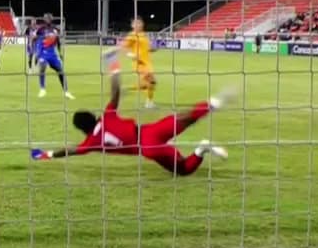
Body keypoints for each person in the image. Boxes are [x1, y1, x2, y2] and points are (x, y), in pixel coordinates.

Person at [30, 70, 231, 177]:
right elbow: (115, 94)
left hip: (147, 147)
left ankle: (202, 149)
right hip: (151, 130)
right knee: (184, 118)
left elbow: (69, 150)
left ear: (82, 129)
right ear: (93, 116)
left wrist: (45, 154)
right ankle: (212, 104)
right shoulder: (107, 116)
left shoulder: (91, 142)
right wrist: (115, 70)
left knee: (184, 170)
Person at [119, 17, 157, 108]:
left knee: (150, 83)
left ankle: (126, 89)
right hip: (139, 63)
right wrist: (130, 54)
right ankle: (149, 103)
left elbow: (146, 48)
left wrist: (152, 49)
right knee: (151, 81)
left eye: (140, 23)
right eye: (136, 23)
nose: (139, 25)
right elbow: (123, 47)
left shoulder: (143, 35)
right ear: (132, 25)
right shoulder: (132, 35)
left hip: (147, 62)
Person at [33, 14, 72, 99]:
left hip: (52, 54)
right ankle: (42, 89)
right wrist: (36, 52)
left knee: (61, 71)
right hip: (43, 53)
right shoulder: (41, 29)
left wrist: (60, 52)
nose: (47, 20)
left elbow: (58, 42)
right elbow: (34, 38)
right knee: (42, 67)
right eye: (46, 18)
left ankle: (66, 92)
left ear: (51, 19)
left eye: (49, 18)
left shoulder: (55, 29)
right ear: (44, 19)